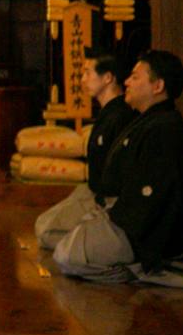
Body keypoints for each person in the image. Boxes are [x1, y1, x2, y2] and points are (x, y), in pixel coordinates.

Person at [50, 49, 183, 287]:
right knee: (63, 243)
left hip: (140, 229)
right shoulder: (147, 120)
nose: (127, 82)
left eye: (135, 77)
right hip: (120, 213)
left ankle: (141, 270)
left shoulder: (164, 128)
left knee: (67, 257)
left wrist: (119, 225)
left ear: (158, 85)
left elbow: (153, 198)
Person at [34, 52, 137, 249]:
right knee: (42, 225)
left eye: (88, 73)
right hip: (92, 190)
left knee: (48, 232)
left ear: (107, 78)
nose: (82, 80)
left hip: (105, 199)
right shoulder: (108, 112)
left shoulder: (120, 115)